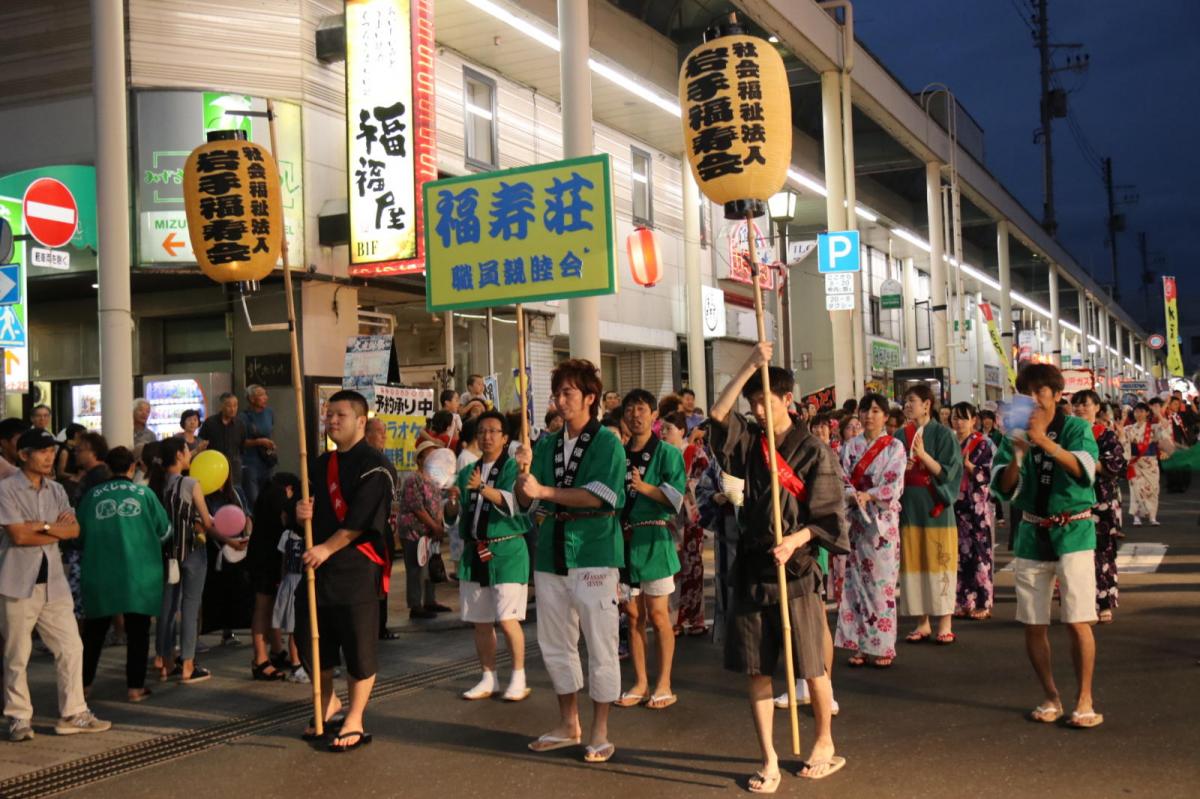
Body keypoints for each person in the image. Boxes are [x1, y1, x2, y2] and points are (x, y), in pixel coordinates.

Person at [708, 342, 849, 788]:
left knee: (811, 665)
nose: (758, 411)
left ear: (788, 400)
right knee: (756, 666)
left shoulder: (812, 450)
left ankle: (825, 741)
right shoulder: (749, 442)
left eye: (765, 401)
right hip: (753, 567)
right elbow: (716, 416)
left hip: (798, 570)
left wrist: (797, 539)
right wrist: (750, 365)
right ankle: (768, 757)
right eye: (752, 404)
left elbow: (828, 518)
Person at [515, 359, 625, 764]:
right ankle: (568, 723)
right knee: (555, 642)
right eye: (557, 393)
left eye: (569, 393)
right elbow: (525, 501)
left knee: (600, 643)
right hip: (550, 551)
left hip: (594, 549)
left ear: (590, 398)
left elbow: (600, 496)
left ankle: (600, 728)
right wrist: (522, 473)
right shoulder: (544, 444)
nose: (561, 401)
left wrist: (543, 490)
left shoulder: (607, 443)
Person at [991, 363, 1104, 729]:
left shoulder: (1077, 428)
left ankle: (1085, 698)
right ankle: (1051, 695)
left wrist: (1044, 442)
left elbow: (1082, 469)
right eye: (1029, 392)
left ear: (1058, 395)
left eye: (1042, 391)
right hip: (1031, 532)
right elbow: (1004, 488)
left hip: (1074, 530)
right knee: (1033, 621)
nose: (1035, 399)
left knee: (1077, 619)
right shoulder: (1014, 434)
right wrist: (1020, 454)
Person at [294, 389, 395, 751]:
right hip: (317, 568)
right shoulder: (319, 464)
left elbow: (361, 521)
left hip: (356, 568)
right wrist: (298, 513)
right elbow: (300, 513)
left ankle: (355, 717)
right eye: (329, 414)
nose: (332, 421)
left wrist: (326, 548)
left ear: (360, 421)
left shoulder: (376, 466)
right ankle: (327, 701)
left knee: (358, 644)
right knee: (309, 637)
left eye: (340, 415)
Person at [0, 427, 110, 740]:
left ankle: (74, 712)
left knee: (71, 647)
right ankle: (19, 718)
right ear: (24, 455)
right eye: (43, 451)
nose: (51, 456)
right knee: (16, 654)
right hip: (16, 582)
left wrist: (42, 526)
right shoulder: (7, 489)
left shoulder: (57, 489)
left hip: (54, 582)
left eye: (53, 451)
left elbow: (73, 530)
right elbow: (18, 536)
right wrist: (51, 529)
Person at [445, 410, 531, 702]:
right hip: (475, 551)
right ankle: (488, 676)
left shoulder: (514, 468)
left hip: (507, 550)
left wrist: (482, 487)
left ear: (506, 438)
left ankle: (519, 676)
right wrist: (453, 502)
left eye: (494, 431)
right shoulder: (468, 470)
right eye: (482, 431)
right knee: (480, 620)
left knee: (508, 618)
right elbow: (454, 517)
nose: (486, 436)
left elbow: (513, 503)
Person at [78, 446, 170, 703]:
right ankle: (135, 688)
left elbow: (79, 534)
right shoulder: (144, 494)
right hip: (138, 572)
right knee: (138, 632)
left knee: (94, 633)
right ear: (132, 467)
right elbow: (164, 531)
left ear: (107, 467)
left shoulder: (92, 495)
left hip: (100, 571)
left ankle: (83, 686)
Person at [611, 390, 684, 711]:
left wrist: (645, 488)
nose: (635, 415)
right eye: (629, 410)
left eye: (641, 409)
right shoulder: (617, 453)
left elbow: (676, 498)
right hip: (624, 542)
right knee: (632, 615)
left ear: (654, 414)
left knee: (658, 614)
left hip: (654, 539)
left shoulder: (668, 453)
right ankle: (640, 682)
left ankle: (664, 682)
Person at [835, 392, 907, 668]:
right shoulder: (850, 446)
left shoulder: (895, 448)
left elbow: (894, 484)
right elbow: (842, 478)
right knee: (855, 584)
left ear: (886, 417)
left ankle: (883, 646)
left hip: (880, 525)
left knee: (881, 585)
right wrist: (854, 495)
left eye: (876, 411)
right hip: (856, 521)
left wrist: (872, 494)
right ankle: (860, 644)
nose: (869, 416)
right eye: (865, 410)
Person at [898, 385, 963, 645]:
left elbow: (949, 473)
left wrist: (923, 456)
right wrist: (905, 465)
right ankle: (921, 622)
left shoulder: (945, 434)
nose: (907, 405)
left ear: (927, 404)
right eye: (906, 401)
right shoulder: (901, 435)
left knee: (940, 561)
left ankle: (944, 622)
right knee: (914, 562)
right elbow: (892, 471)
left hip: (935, 504)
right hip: (910, 505)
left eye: (912, 400)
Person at [149, 437, 216, 684]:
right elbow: (207, 522)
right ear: (179, 454)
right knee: (189, 607)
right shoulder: (189, 483)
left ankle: (164, 660)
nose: (189, 454)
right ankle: (188, 663)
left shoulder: (156, 484)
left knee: (166, 607)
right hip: (193, 551)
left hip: (167, 553)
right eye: (187, 450)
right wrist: (204, 523)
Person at [1072, 390, 1126, 623]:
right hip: (1072, 500)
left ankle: (1104, 602)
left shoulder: (1105, 434)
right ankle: (1078, 604)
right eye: (1076, 405)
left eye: (1085, 404)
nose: (1080, 409)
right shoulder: (1067, 434)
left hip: (1100, 499)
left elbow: (1116, 464)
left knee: (1102, 551)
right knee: (1074, 555)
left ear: (1097, 408)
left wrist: (1087, 464)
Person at [247, 473, 303, 680]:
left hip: (263, 556)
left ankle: (276, 651)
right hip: (266, 559)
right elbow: (285, 519)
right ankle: (260, 659)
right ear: (289, 488)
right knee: (264, 606)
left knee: (269, 605)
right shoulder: (278, 497)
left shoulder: (266, 494)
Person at [663, 410, 709, 637]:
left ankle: (694, 616)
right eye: (661, 429)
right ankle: (674, 618)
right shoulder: (661, 454)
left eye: (668, 429)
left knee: (693, 567)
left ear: (681, 431)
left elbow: (702, 482)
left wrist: (682, 487)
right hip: (669, 519)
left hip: (689, 518)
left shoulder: (695, 453)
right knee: (672, 569)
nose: (663, 434)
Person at [950, 403, 996, 620]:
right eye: (955, 418)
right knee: (958, 555)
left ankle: (983, 601)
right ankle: (963, 600)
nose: (958, 422)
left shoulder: (982, 443)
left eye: (963, 418)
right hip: (954, 505)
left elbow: (988, 473)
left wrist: (970, 468)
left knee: (979, 553)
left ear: (973, 421)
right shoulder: (949, 441)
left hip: (976, 506)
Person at [397, 440, 449, 620]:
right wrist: (435, 525)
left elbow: (439, 503)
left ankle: (430, 600)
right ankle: (415, 605)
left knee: (431, 564)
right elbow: (417, 507)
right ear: (419, 459)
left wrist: (438, 524)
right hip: (414, 530)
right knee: (415, 568)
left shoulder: (435, 479)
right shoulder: (414, 479)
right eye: (428, 454)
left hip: (430, 531)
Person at [362, 418, 399, 640]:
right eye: (380, 432)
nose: (384, 437)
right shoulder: (367, 460)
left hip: (382, 527)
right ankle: (371, 625)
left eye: (385, 433)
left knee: (381, 579)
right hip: (367, 530)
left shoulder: (381, 460)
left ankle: (380, 625)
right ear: (366, 434)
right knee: (370, 580)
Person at [1123, 402, 1168, 526]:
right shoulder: (1129, 428)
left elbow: (1164, 428)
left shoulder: (1153, 428)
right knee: (1136, 489)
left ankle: (1152, 516)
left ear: (1147, 413)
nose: (1139, 414)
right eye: (1137, 411)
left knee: (1153, 489)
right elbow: (1123, 440)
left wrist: (1158, 413)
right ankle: (1136, 517)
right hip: (1135, 462)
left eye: (1142, 411)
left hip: (1150, 463)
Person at [199, 392, 247, 489]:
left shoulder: (240, 424)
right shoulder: (210, 422)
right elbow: (201, 442)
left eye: (235, 405)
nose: (233, 409)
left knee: (235, 492)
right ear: (221, 406)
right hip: (214, 466)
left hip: (234, 467)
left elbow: (242, 445)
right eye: (229, 406)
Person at [241, 385, 277, 509]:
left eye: (265, 394)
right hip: (250, 462)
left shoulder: (269, 412)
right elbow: (241, 442)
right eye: (261, 395)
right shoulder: (243, 417)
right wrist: (259, 442)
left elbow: (270, 432)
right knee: (253, 499)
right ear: (251, 399)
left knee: (268, 496)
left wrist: (271, 444)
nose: (265, 398)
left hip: (266, 460)